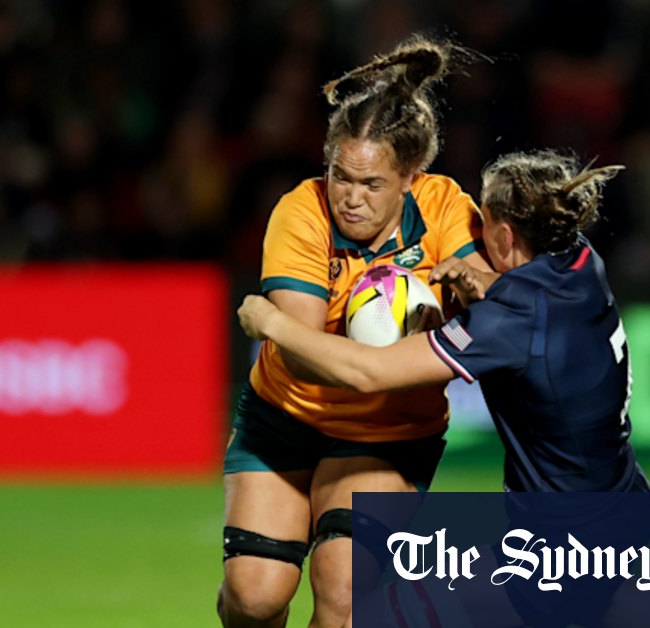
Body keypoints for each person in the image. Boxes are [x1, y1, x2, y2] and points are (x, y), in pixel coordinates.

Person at [239, 150, 650, 627]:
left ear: (504, 235)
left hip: (562, 544)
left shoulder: (509, 321)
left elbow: (370, 373)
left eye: (481, 225)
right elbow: (527, 306)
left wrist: (274, 324)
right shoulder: (582, 260)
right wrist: (478, 282)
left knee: (366, 619)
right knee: (610, 602)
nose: (473, 241)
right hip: (623, 503)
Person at [218, 36, 491, 628]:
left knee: (342, 594)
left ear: (411, 178)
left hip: (389, 433)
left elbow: (493, 296)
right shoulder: (300, 211)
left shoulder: (445, 206)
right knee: (254, 597)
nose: (351, 198)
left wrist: (473, 289)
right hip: (287, 418)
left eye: (372, 185)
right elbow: (302, 352)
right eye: (342, 176)